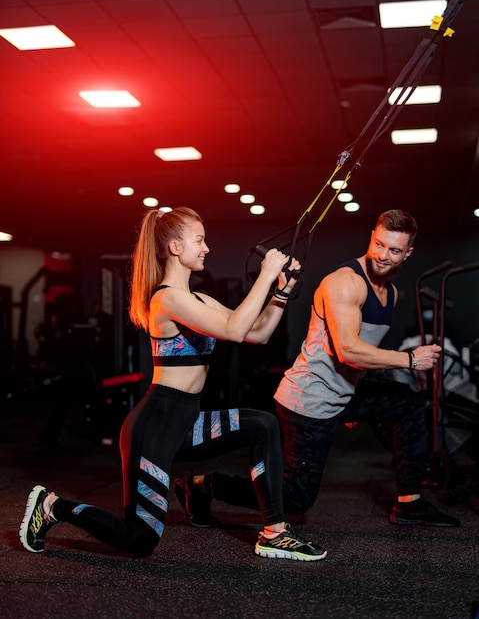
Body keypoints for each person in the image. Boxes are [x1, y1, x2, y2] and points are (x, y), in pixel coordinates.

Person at [19, 207, 327, 561]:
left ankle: (275, 532)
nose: (207, 247)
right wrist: (266, 274)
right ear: (176, 248)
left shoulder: (199, 299)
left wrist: (281, 292)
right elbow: (233, 330)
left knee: (264, 425)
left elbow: (255, 333)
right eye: (199, 240)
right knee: (139, 539)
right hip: (156, 425)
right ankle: (53, 506)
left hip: (187, 422)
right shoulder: (167, 299)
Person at [174, 209, 461, 528]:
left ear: (408, 253)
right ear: (372, 238)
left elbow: (358, 356)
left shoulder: (389, 292)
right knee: (296, 500)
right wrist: (409, 359)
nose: (382, 255)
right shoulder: (345, 283)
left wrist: (352, 399)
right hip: (307, 401)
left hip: (342, 393)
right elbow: (349, 350)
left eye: (393, 250)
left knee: (407, 404)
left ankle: (410, 503)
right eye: (378, 244)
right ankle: (200, 485)